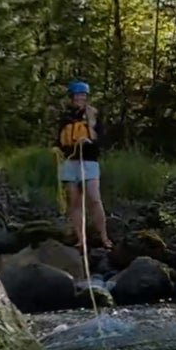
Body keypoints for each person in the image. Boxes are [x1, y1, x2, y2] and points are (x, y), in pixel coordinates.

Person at [57, 80, 110, 259]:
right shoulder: (65, 117)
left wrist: (90, 141)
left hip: (89, 161)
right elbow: (59, 139)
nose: (80, 98)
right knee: (74, 201)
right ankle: (81, 239)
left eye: (83, 95)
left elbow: (102, 140)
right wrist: (57, 148)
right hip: (70, 162)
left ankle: (104, 236)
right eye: (77, 95)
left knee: (94, 199)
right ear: (72, 97)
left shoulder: (93, 116)